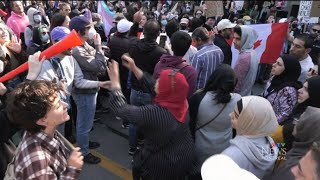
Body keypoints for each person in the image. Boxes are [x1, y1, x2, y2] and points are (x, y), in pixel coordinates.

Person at [107, 56, 195, 180]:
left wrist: (115, 85)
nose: (157, 80)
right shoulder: (181, 101)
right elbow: (154, 85)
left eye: (160, 80)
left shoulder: (156, 114)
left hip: (161, 167)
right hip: (183, 157)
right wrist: (134, 68)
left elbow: (121, 109)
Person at [6, 80, 83, 179]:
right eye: (58, 106)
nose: (66, 105)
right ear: (42, 120)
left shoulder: (43, 131)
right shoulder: (37, 162)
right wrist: (72, 169)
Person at [188, 64, 241, 178]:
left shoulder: (199, 98)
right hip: (224, 147)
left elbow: (190, 124)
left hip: (200, 148)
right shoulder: (238, 99)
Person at [69, 16, 108, 164]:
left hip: (90, 88)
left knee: (86, 122)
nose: (91, 31)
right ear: (80, 31)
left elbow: (99, 63)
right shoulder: (77, 49)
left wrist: (97, 52)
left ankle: (84, 142)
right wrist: (98, 48)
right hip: (84, 92)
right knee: (84, 124)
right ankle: (83, 152)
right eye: (88, 29)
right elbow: (98, 66)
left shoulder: (82, 43)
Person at [127, 19, 166, 155]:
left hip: (135, 89)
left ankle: (132, 146)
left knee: (134, 120)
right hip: (149, 91)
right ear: (158, 34)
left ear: (143, 32)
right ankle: (145, 146)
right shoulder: (160, 52)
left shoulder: (134, 46)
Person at [222, 96, 279, 179]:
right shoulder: (272, 144)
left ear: (251, 122)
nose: (230, 115)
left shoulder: (230, 155)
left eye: (237, 116)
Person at [265, 106, 320, 180]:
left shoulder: (294, 170)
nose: (294, 123)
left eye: (299, 121)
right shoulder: (300, 147)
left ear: (307, 130)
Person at [153, 31, 197, 98]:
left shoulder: (160, 64)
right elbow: (189, 96)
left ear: (172, 46)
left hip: (159, 106)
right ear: (188, 48)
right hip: (179, 107)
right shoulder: (190, 72)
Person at [262, 55, 302, 124]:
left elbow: (284, 115)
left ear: (287, 70)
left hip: (270, 124)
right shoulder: (274, 77)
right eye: (275, 62)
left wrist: (267, 124)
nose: (274, 65)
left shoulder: (289, 90)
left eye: (279, 64)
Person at [233, 25, 259, 96]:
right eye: (234, 38)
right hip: (246, 94)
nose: (234, 41)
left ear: (246, 39)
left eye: (238, 39)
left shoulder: (244, 57)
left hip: (238, 97)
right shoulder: (253, 52)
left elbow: (236, 85)